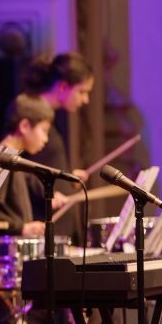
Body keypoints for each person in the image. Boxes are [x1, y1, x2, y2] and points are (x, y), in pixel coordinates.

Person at [0, 93, 54, 324]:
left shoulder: (15, 160)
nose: (46, 139)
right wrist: (21, 226)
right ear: (25, 126)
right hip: (5, 263)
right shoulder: (3, 158)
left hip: (15, 262)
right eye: (44, 130)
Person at [22, 52, 95, 242]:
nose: (85, 100)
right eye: (82, 91)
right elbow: (19, 168)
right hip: (42, 222)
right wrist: (48, 192)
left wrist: (67, 174)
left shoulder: (53, 118)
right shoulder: (29, 114)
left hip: (61, 224)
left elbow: (43, 163)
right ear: (63, 87)